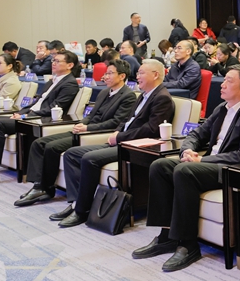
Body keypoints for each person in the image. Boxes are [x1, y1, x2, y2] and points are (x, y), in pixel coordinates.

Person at [132, 64, 240, 271]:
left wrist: (202, 161)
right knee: (160, 166)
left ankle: (188, 245)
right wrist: (187, 150)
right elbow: (197, 134)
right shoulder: (222, 108)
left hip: (231, 170)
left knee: (185, 171)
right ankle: (166, 236)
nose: (222, 85)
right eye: (224, 80)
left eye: (229, 81)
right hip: (209, 163)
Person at [52, 59, 176, 228]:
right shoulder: (144, 95)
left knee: (89, 158)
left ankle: (82, 211)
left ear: (155, 75)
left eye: (141, 73)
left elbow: (151, 130)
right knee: (72, 154)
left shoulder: (162, 98)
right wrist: (116, 133)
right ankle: (75, 203)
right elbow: (126, 120)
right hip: (121, 140)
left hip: (132, 147)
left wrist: (120, 137)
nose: (137, 76)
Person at [14, 59, 138, 208]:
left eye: (110, 73)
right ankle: (39, 186)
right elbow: (91, 115)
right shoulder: (104, 92)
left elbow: (115, 123)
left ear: (122, 76)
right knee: (39, 143)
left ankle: (45, 188)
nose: (105, 77)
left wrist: (87, 128)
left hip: (95, 133)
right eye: (105, 73)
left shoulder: (128, 96)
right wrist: (82, 123)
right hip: (85, 129)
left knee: (52, 147)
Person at [0, 51, 81, 188]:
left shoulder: (69, 84)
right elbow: (35, 102)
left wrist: (25, 116)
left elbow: (54, 108)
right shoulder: (52, 81)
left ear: (70, 65)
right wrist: (20, 112)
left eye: (57, 61)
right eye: (53, 60)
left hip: (38, 119)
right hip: (28, 115)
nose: (53, 63)